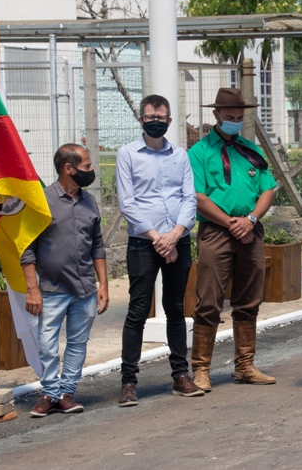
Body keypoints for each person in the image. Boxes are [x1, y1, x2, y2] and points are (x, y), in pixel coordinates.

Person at [188, 87, 278, 391]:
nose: (235, 122)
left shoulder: (251, 149)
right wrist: (229, 222)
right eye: (230, 117)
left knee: (249, 298)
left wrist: (251, 219)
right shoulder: (199, 152)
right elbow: (198, 196)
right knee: (209, 299)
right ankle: (201, 369)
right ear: (216, 115)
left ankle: (245, 366)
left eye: (239, 117)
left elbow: (268, 189)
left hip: (250, 230)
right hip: (217, 231)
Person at [116, 94, 202, 406]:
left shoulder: (180, 155)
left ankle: (181, 375)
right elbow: (127, 203)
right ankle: (128, 382)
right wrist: (158, 239)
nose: (155, 122)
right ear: (140, 119)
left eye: (160, 118)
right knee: (138, 309)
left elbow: (189, 198)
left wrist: (176, 234)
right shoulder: (127, 154)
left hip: (178, 240)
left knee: (176, 308)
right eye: (150, 117)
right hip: (144, 242)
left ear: (169, 121)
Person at [23, 144, 109, 417]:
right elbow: (27, 248)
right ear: (68, 168)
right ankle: (49, 393)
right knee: (47, 344)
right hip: (51, 289)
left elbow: (97, 246)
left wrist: (103, 285)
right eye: (87, 166)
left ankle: (66, 393)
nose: (92, 170)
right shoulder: (42, 201)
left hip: (84, 290)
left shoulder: (90, 202)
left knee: (78, 343)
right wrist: (32, 289)